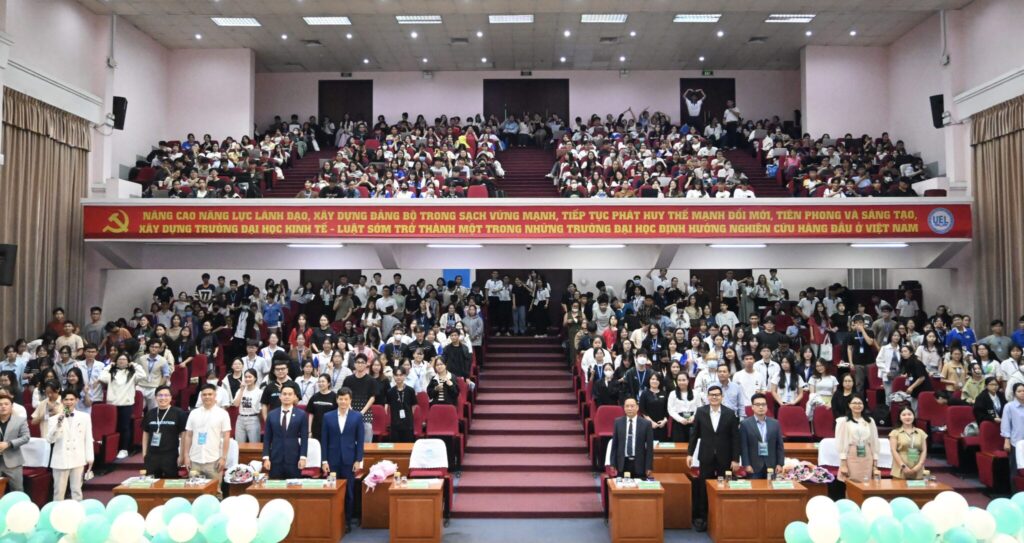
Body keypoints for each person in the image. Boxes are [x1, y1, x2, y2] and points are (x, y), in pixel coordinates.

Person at [688, 385, 741, 532]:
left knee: (725, 487)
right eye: (711, 395)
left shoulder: (730, 414)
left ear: (722, 397)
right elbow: (694, 435)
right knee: (704, 487)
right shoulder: (701, 412)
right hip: (706, 456)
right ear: (707, 396)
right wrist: (689, 454)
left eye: (717, 395)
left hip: (725, 457)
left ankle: (726, 518)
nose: (714, 397)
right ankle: (704, 519)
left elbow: (735, 439)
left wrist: (736, 459)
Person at [320, 388, 366, 533]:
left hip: (349, 460)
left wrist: (358, 460)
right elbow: (324, 440)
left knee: (349, 493)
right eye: (340, 399)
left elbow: (360, 440)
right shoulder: (328, 416)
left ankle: (347, 522)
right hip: (332, 461)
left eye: (346, 399)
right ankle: (332, 520)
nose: (343, 402)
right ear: (337, 400)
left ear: (350, 400)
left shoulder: (357, 417)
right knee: (333, 491)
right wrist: (324, 461)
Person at [182, 384, 232, 498]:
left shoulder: (223, 414)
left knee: (216, 492)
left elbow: (226, 437)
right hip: (195, 460)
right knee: (195, 492)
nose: (207, 397)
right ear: (201, 396)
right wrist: (186, 456)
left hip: (214, 460)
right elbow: (188, 435)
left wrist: (223, 457)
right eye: (204, 394)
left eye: (210, 394)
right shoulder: (194, 413)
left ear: (215, 396)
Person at [48, 389, 94, 500]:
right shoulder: (54, 419)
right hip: (60, 459)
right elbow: (50, 439)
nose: (69, 402)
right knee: (58, 491)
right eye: (66, 399)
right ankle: (57, 514)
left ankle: (78, 514)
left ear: (77, 400)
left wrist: (90, 458)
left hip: (78, 457)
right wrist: (59, 423)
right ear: (62, 401)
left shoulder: (85, 417)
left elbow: (88, 438)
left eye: (72, 399)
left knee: (77, 490)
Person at [99, 353, 145, 459]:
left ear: (128, 361)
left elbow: (143, 375)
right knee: (113, 428)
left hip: (126, 404)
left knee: (124, 427)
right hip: (112, 405)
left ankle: (124, 449)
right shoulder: (111, 373)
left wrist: (134, 364)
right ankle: (113, 448)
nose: (122, 361)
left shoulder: (132, 374)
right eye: (120, 359)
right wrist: (110, 365)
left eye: (124, 359)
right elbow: (101, 377)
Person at [263, 382, 308, 479]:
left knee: (294, 490)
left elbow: (304, 438)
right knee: (275, 490)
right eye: (284, 394)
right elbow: (267, 438)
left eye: (290, 394)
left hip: (294, 459)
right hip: (275, 459)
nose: (287, 396)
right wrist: (266, 458)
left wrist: (303, 457)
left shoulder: (301, 414)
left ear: (295, 397)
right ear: (280, 396)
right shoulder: (271, 414)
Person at [141, 385, 188, 478]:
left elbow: (184, 435)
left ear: (171, 397)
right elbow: (145, 434)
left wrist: (182, 455)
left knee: (170, 484)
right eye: (160, 395)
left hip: (170, 455)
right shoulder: (150, 413)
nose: (163, 398)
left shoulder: (179, 413)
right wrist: (144, 453)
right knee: (151, 484)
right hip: (152, 456)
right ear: (155, 397)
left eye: (166, 395)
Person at [739, 393, 785, 479]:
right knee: (755, 491)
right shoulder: (745, 424)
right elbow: (743, 447)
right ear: (752, 407)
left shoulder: (775, 423)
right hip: (753, 466)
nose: (761, 407)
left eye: (763, 404)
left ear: (767, 407)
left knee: (771, 491)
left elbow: (779, 445)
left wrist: (780, 463)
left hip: (772, 465)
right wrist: (746, 464)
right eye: (757, 404)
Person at [835, 396, 880, 483]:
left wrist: (875, 464)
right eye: (854, 403)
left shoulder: (870, 421)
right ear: (849, 405)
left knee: (867, 482)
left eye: (860, 403)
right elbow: (841, 442)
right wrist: (843, 464)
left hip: (867, 455)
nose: (857, 405)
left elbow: (874, 441)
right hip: (852, 455)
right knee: (852, 483)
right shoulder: (844, 421)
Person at [607, 397, 654, 478]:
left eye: (632, 406)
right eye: (627, 406)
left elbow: (650, 448)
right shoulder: (618, 422)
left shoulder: (646, 424)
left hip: (639, 464)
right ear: (624, 408)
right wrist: (613, 463)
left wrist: (649, 466)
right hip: (623, 463)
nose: (629, 408)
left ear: (637, 407)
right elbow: (615, 445)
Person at [0, 392, 30, 491]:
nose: (3, 407)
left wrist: (9, 444)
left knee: (17, 490)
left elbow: (26, 437)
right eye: (0, 404)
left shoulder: (20, 420)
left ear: (12, 406)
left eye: (6, 404)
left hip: (13, 461)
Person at [889, 406, 928, 480]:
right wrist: (903, 466)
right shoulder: (895, 433)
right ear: (900, 417)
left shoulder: (921, 432)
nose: (907, 417)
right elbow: (894, 451)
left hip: (917, 467)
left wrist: (919, 466)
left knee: (917, 491)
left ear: (914, 416)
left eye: (909, 414)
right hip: (900, 468)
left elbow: (924, 450)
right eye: (904, 415)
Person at [1001, 382, 1024, 491]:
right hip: (1016, 442)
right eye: (1019, 391)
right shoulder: (1009, 406)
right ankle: (1015, 493)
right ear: (1014, 393)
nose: (1022, 393)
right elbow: (1005, 424)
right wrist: (1006, 440)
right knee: (1015, 470)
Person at [232, 369, 263, 443]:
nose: (247, 379)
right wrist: (242, 390)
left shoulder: (259, 392)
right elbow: (236, 404)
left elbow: (260, 410)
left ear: (255, 378)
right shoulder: (240, 390)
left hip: (253, 418)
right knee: (239, 445)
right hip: (240, 419)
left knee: (254, 444)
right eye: (245, 377)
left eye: (250, 377)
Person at [386, 368, 416, 442]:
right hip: (395, 424)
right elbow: (388, 406)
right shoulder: (390, 392)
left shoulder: (410, 390)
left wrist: (409, 416)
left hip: (408, 424)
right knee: (395, 448)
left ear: (405, 376)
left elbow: (414, 406)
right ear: (393, 376)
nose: (398, 377)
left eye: (400, 375)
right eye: (396, 375)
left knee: (408, 447)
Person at [639, 373, 669, 441]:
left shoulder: (664, 393)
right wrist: (651, 422)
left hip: (662, 425)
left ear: (660, 381)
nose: (655, 381)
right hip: (648, 425)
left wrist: (664, 421)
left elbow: (667, 410)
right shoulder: (644, 393)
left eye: (657, 379)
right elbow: (642, 410)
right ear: (649, 380)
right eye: (652, 379)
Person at [668, 373, 697, 442]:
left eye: (684, 380)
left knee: (693, 445)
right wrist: (680, 419)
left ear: (688, 380)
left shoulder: (695, 393)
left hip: (692, 421)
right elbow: (670, 410)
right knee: (679, 446)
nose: (681, 382)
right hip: (678, 423)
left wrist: (693, 417)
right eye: (679, 380)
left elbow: (699, 407)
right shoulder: (672, 393)